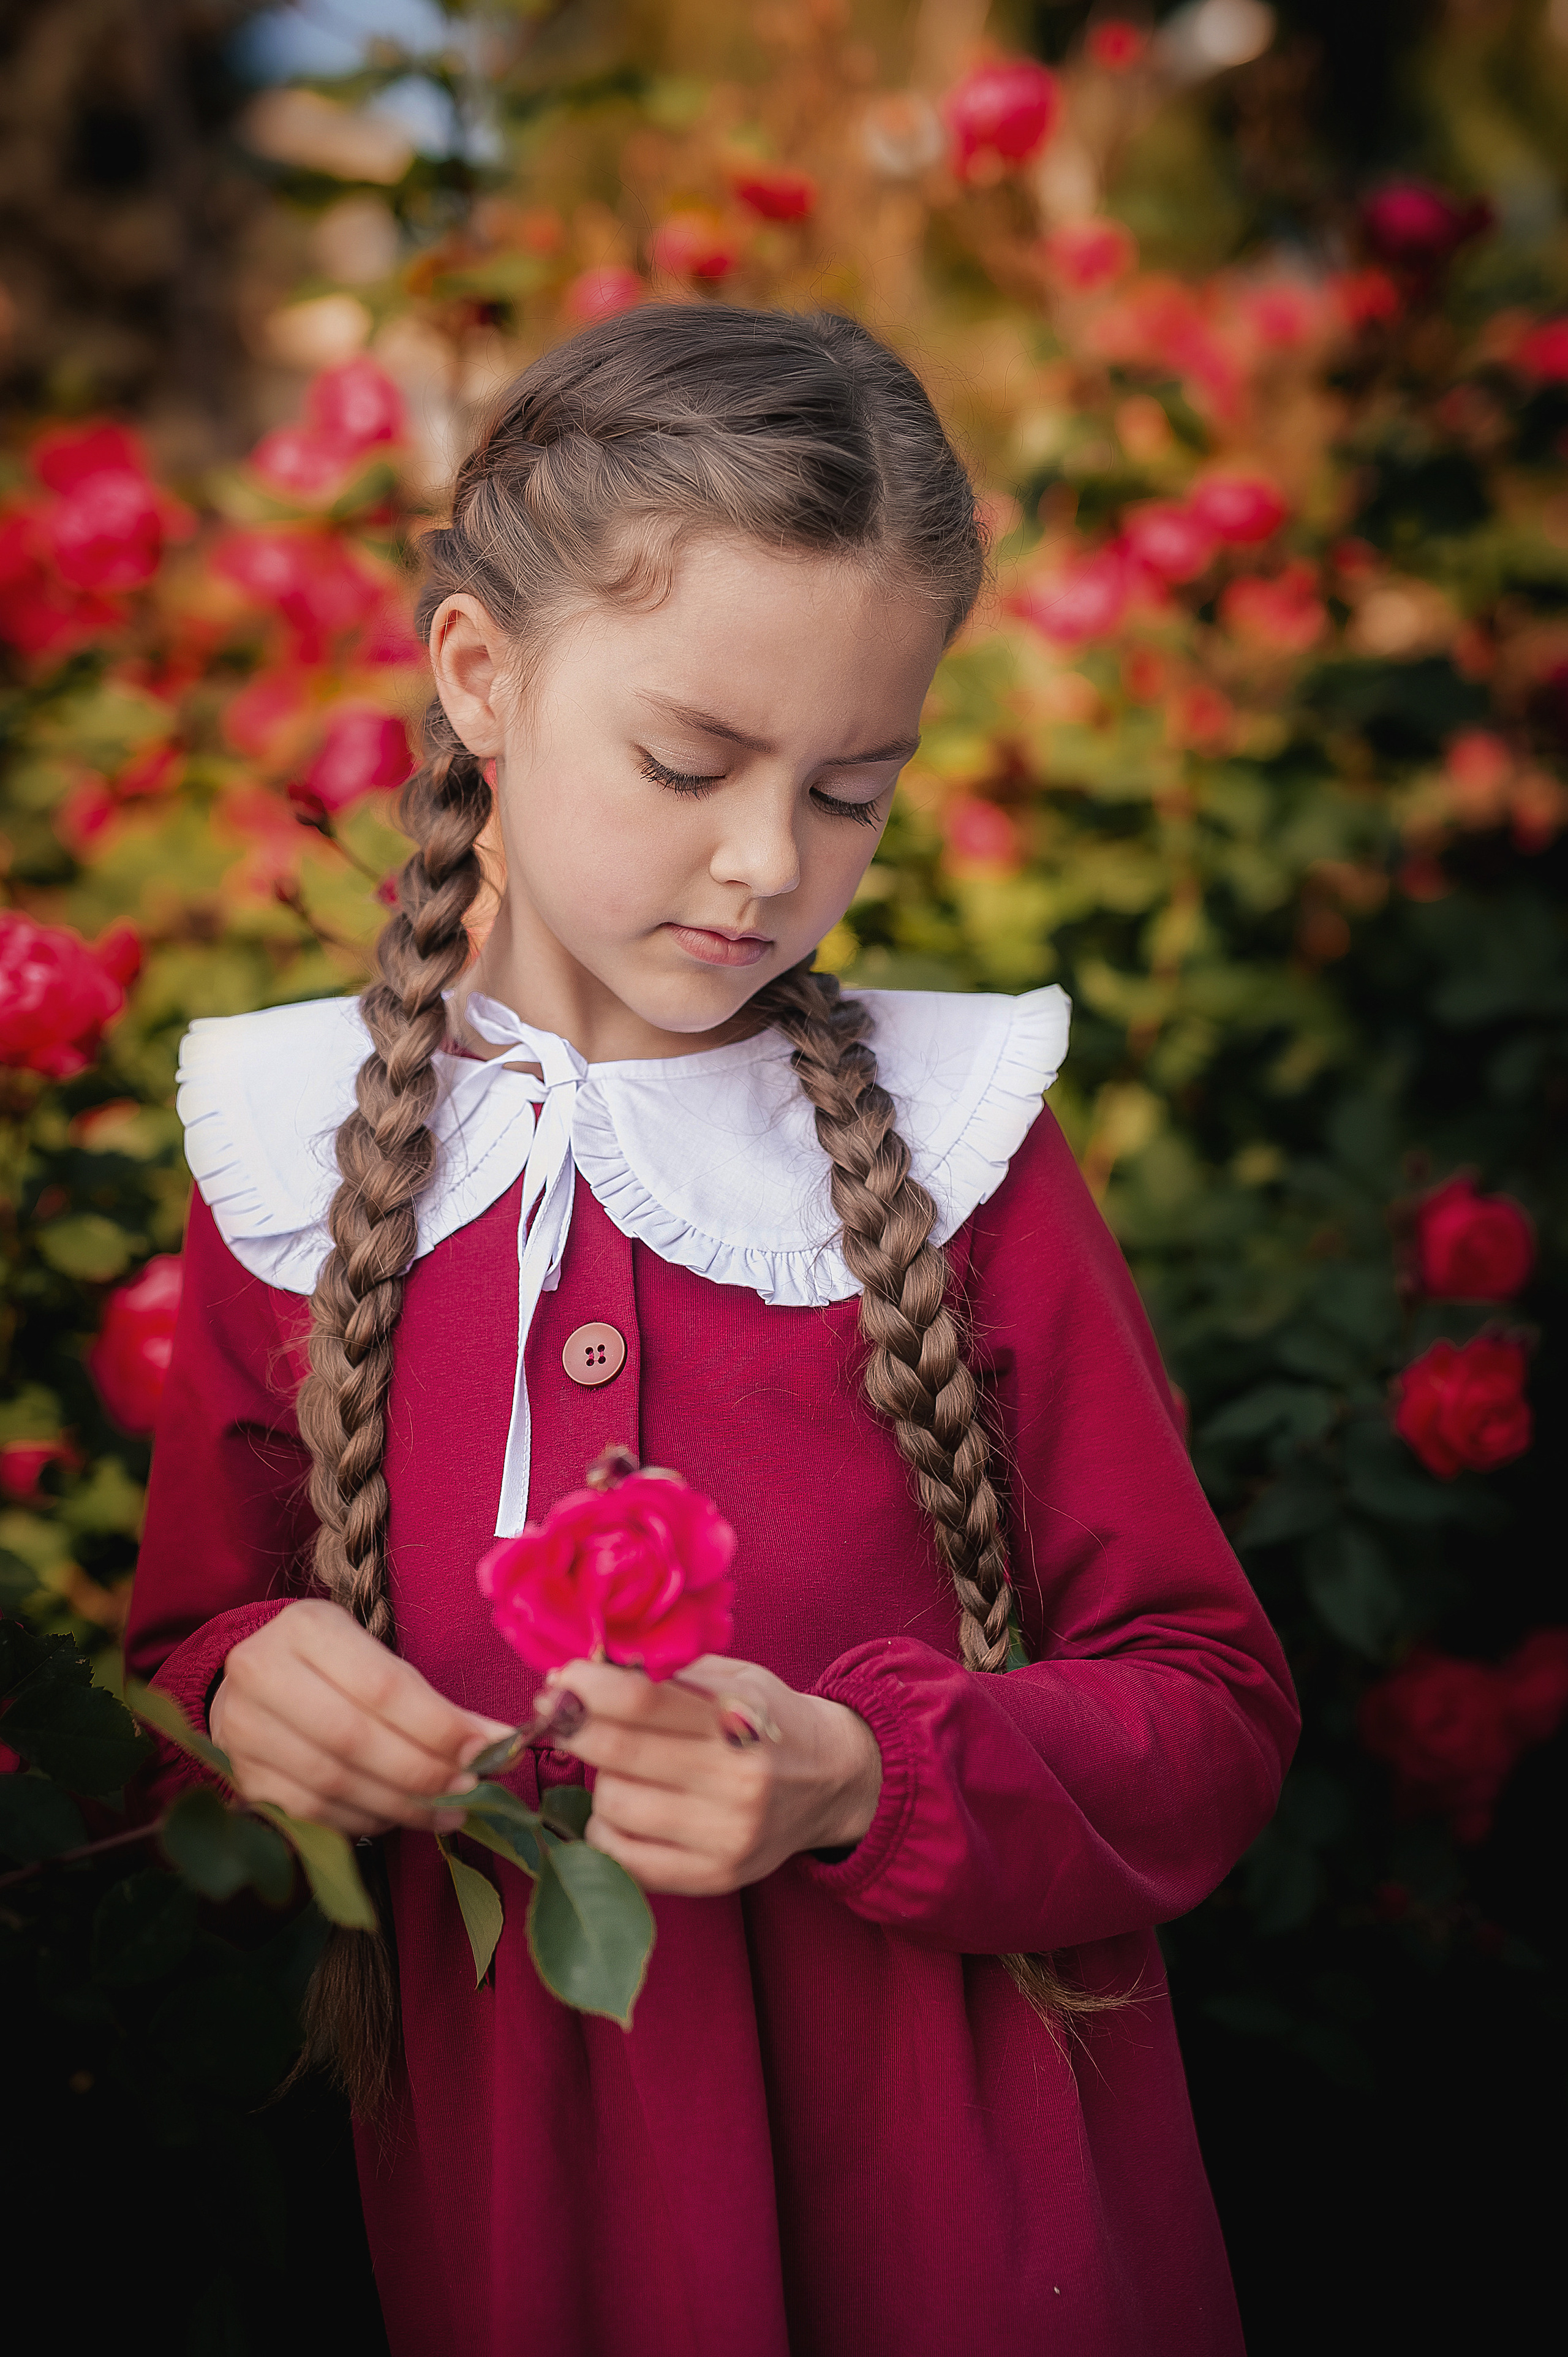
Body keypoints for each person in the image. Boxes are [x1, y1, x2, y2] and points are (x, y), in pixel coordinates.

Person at [126, 305, 1298, 2357]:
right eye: (689, 763)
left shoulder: (961, 1154)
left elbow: (1207, 1712)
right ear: (481, 677)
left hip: (965, 2223)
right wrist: (251, 1704)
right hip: (533, 2232)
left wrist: (864, 1776)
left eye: (853, 790)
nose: (771, 864)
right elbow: (185, 1656)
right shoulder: (292, 1164)